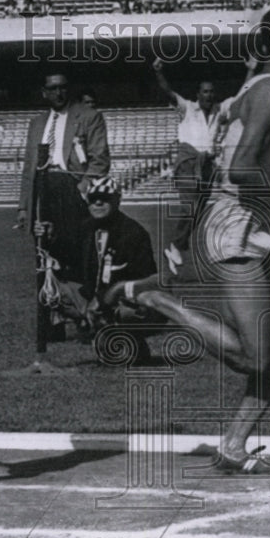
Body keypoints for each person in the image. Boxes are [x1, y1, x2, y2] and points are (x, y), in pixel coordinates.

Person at [132, 3, 270, 474]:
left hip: (264, 226)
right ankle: (160, 302)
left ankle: (233, 445)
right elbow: (240, 170)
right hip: (232, 226)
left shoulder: (267, 89)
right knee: (255, 357)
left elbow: (253, 147)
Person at [39, 176, 162, 359]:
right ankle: (92, 328)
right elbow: (69, 257)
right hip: (93, 299)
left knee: (129, 315)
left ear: (117, 200)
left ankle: (131, 339)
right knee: (50, 290)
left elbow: (145, 280)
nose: (98, 202)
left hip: (123, 300)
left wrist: (104, 299)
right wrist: (49, 238)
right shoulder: (86, 229)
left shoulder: (133, 233)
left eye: (105, 198)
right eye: (93, 198)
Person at [16, 73, 110, 263]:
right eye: (52, 89)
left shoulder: (89, 116)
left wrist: (82, 190)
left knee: (75, 253)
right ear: (44, 93)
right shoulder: (36, 124)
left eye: (63, 87)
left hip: (71, 187)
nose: (58, 93)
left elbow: (100, 160)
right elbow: (28, 168)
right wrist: (23, 207)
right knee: (43, 254)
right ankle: (47, 292)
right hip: (41, 190)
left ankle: (77, 291)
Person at [151, 60, 226, 275]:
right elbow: (167, 92)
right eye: (205, 92)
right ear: (198, 94)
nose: (209, 95)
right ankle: (174, 244)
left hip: (206, 165)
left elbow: (238, 101)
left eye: (212, 92)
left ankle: (175, 246)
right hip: (187, 162)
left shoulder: (219, 113)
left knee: (199, 211)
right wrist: (158, 72)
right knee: (190, 207)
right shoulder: (187, 108)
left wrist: (250, 70)